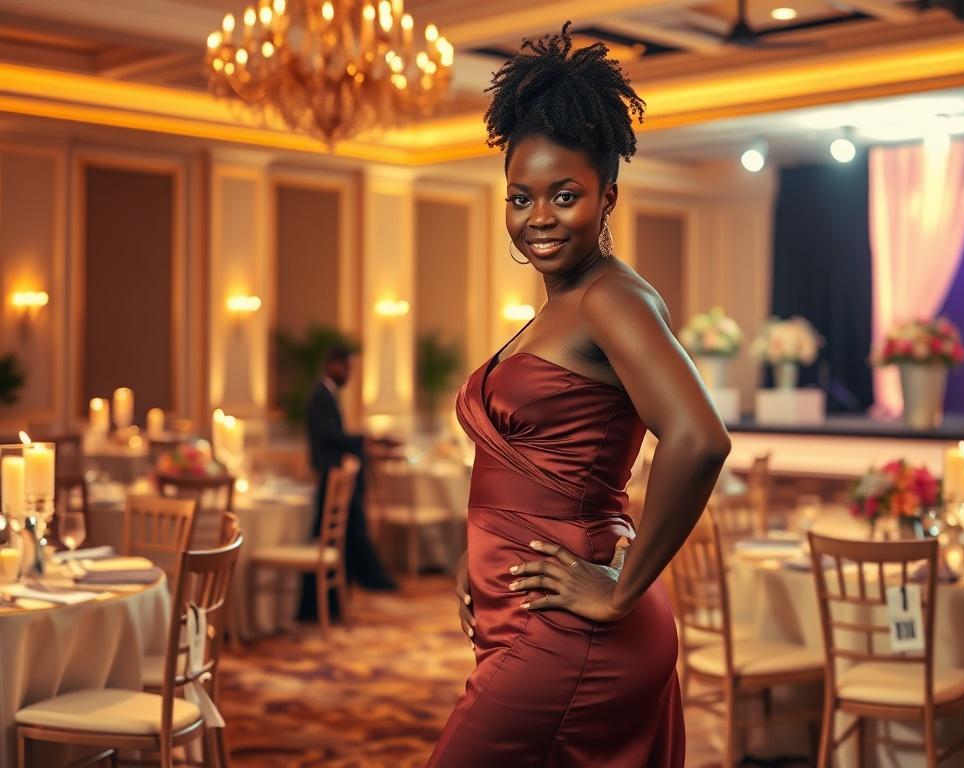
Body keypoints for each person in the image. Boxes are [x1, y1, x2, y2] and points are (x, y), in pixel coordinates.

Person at [428, 23, 731, 766]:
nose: (539, 217)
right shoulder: (563, 305)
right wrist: (481, 555)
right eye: (520, 197)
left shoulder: (610, 299)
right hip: (529, 611)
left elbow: (699, 439)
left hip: (573, 631)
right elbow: (534, 466)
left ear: (607, 197)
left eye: (565, 196)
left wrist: (619, 592)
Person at [301, 345, 396, 612]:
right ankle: (320, 603)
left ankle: (333, 598)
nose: (349, 375)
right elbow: (330, 436)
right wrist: (362, 439)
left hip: (333, 474)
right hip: (329, 472)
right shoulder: (321, 396)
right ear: (334, 365)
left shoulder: (327, 394)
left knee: (347, 531)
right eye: (347, 368)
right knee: (337, 534)